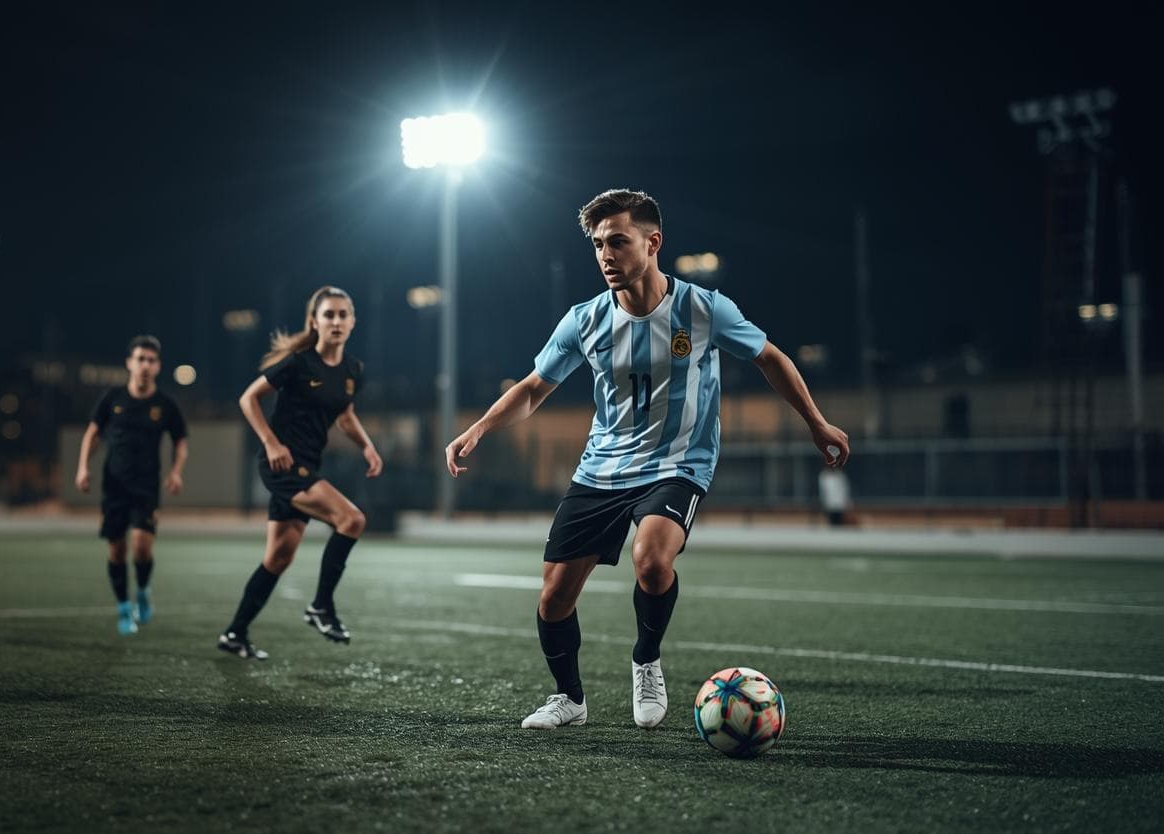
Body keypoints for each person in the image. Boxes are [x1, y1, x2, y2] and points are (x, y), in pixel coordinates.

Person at [444, 189, 850, 730]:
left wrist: (816, 422)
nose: (605, 255)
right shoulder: (584, 320)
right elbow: (535, 387)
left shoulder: (703, 309)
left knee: (652, 559)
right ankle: (570, 699)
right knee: (554, 597)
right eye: (597, 244)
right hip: (601, 470)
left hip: (678, 463)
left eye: (617, 241)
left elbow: (771, 358)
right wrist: (479, 428)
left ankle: (646, 661)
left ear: (652, 243)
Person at [217, 286, 384, 660]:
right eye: (329, 315)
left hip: (309, 465)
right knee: (352, 519)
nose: (336, 321)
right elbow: (248, 398)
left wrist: (367, 446)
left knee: (278, 558)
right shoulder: (297, 363)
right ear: (315, 322)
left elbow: (345, 414)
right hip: (284, 466)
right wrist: (271, 443)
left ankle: (235, 634)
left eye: (343, 314)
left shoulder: (352, 371)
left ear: (353, 322)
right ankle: (322, 606)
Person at [76, 335, 188, 635]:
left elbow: (180, 440)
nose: (145, 365)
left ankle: (143, 589)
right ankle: (124, 608)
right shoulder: (112, 398)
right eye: (140, 359)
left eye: (151, 360)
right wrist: (83, 467)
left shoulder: (165, 404)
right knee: (116, 550)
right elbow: (92, 434)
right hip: (114, 486)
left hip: (146, 487)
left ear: (158, 366)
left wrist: (176, 472)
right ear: (129, 363)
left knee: (141, 547)